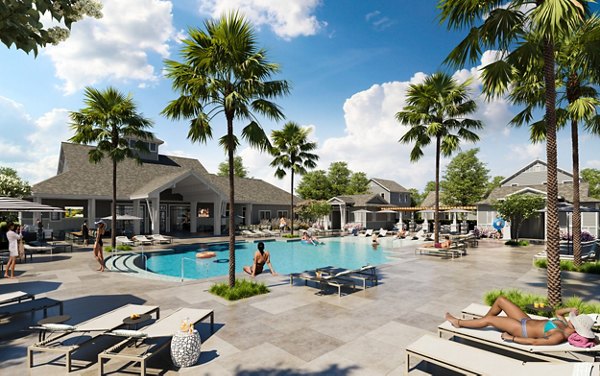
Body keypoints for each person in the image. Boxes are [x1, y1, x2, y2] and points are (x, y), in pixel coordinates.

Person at [445, 296, 598, 346]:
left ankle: (459, 323)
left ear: (577, 327)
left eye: (575, 319)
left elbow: (534, 342)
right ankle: (482, 321)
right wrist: (570, 309)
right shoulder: (564, 324)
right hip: (525, 320)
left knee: (491, 320)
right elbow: (557, 312)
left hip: (520, 329)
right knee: (501, 300)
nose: (573, 318)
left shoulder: (559, 336)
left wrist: (511, 338)